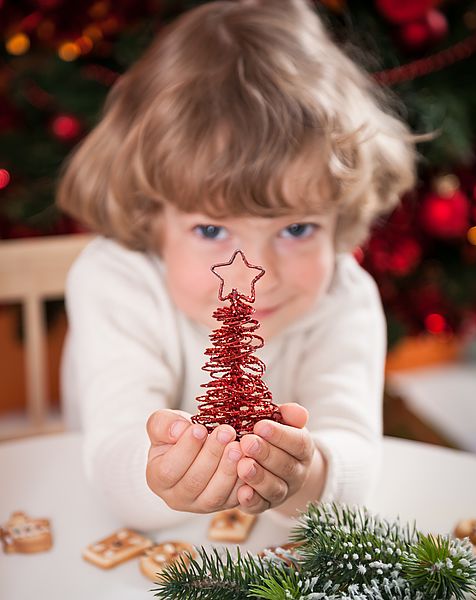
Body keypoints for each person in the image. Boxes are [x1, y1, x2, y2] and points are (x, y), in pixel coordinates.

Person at [57, 0, 418, 532]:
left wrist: (309, 472)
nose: (258, 275)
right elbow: (111, 458)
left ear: (339, 217)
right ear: (150, 216)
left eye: (297, 229)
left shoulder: (344, 299)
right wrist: (159, 474)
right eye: (211, 230)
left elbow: (355, 457)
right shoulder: (115, 283)